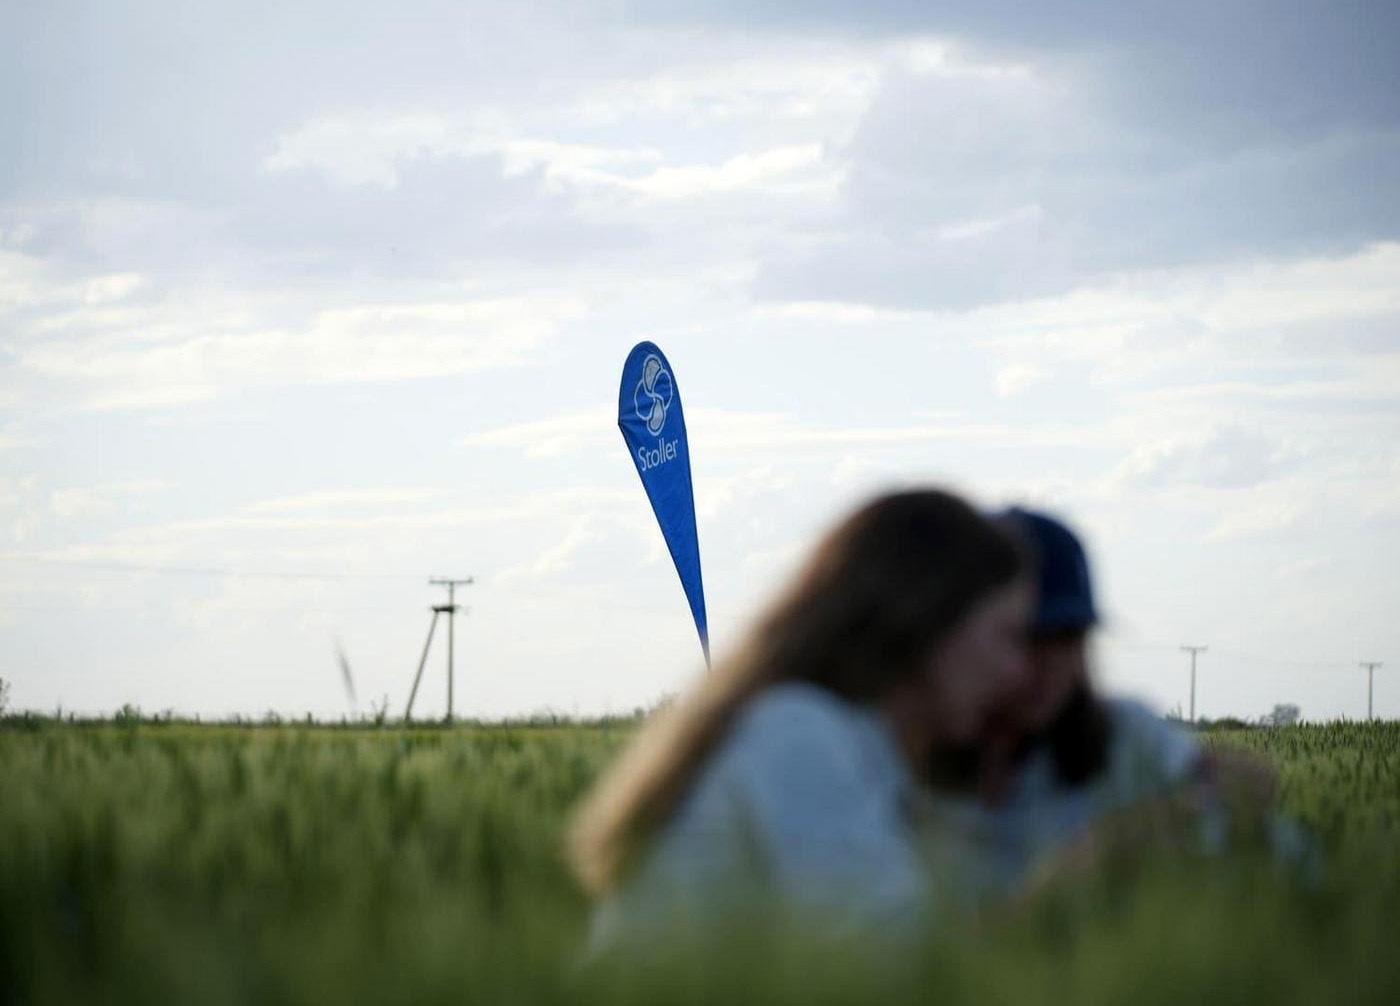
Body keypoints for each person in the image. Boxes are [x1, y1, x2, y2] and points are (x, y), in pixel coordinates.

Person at [567, 488, 1032, 951]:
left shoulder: (827, 736)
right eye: (1004, 636)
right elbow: (909, 972)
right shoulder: (800, 737)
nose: (1018, 673)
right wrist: (1055, 898)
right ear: (925, 621)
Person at [925, 506, 1288, 908]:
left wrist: (1232, 805)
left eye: (1068, 636)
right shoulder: (899, 763)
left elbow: (1284, 861)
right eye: (1027, 637)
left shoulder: (1129, 736)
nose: (1048, 665)